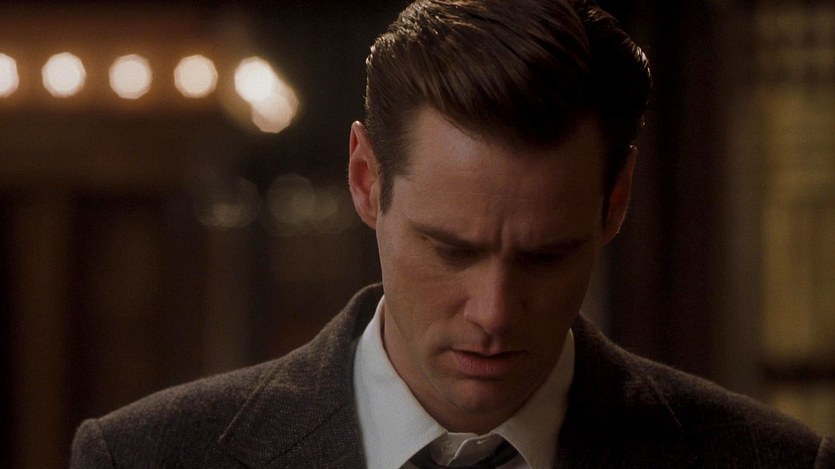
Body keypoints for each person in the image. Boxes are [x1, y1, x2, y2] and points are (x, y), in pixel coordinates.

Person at [71, 0, 834, 467]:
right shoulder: (147, 457)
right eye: (451, 248)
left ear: (616, 201)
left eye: (544, 255)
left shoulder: (766, 461)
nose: (494, 312)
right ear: (366, 180)